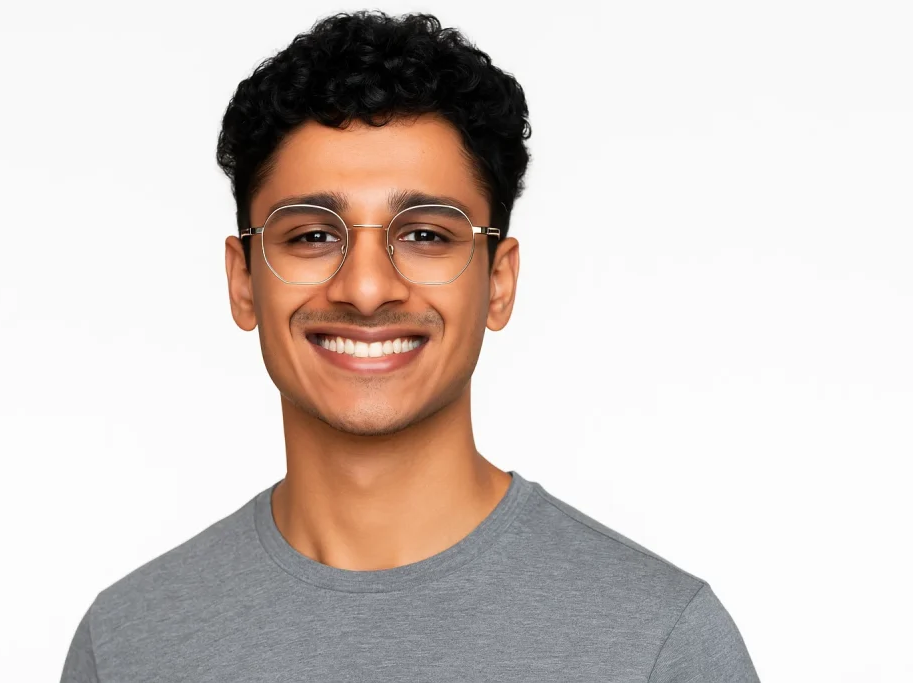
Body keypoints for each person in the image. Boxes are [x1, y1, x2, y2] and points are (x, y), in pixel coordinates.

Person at [61, 11, 759, 682]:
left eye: (426, 233)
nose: (366, 288)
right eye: (312, 234)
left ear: (498, 282)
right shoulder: (128, 644)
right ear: (243, 280)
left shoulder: (659, 645)